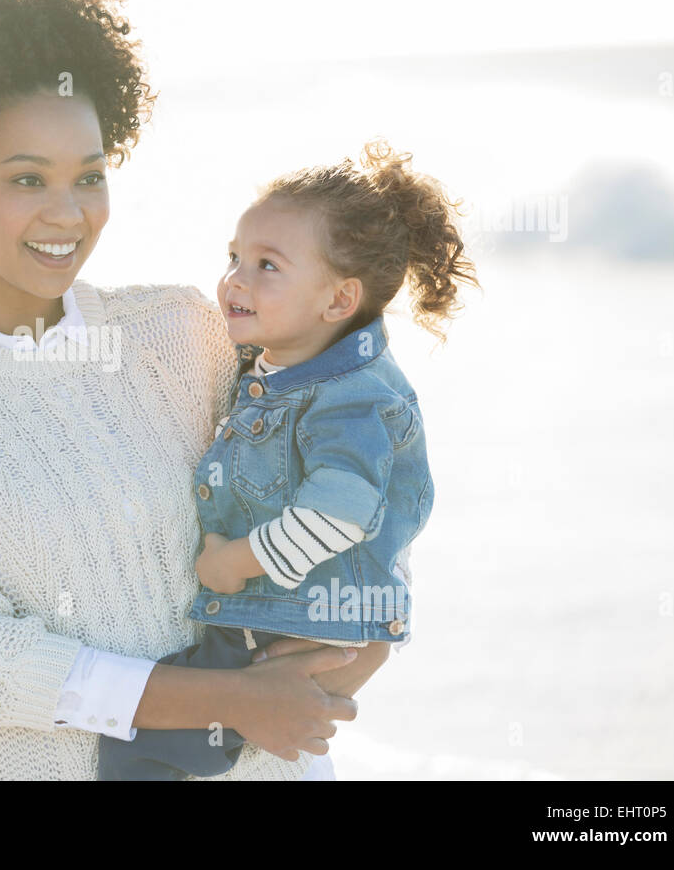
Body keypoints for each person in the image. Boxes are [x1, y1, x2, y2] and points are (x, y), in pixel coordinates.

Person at [0, 0, 385, 781]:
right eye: (28, 179)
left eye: (90, 177)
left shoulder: (181, 330)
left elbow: (347, 488)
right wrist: (226, 700)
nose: (67, 214)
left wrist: (327, 659)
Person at [98, 139, 479, 779]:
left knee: (139, 743)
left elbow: (341, 512)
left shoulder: (352, 400)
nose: (235, 280)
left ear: (338, 301)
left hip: (304, 623)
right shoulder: (285, 365)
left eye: (267, 265)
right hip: (299, 617)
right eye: (234, 257)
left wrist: (231, 561)